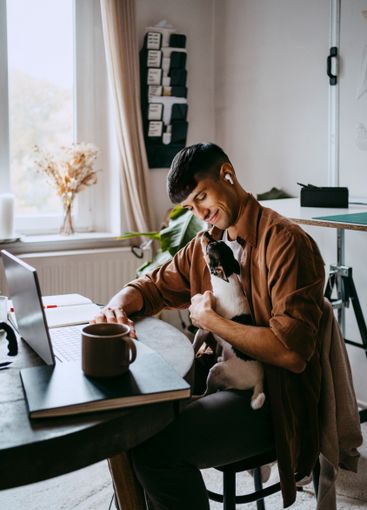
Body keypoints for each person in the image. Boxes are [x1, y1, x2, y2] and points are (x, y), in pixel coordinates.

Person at [93, 143, 325, 509]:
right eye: (190, 207)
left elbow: (291, 352)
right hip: (219, 379)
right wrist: (115, 305)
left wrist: (211, 321)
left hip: (273, 403)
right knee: (133, 430)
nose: (201, 213)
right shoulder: (208, 243)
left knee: (156, 451)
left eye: (202, 196)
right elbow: (152, 286)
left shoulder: (286, 243)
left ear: (227, 174)